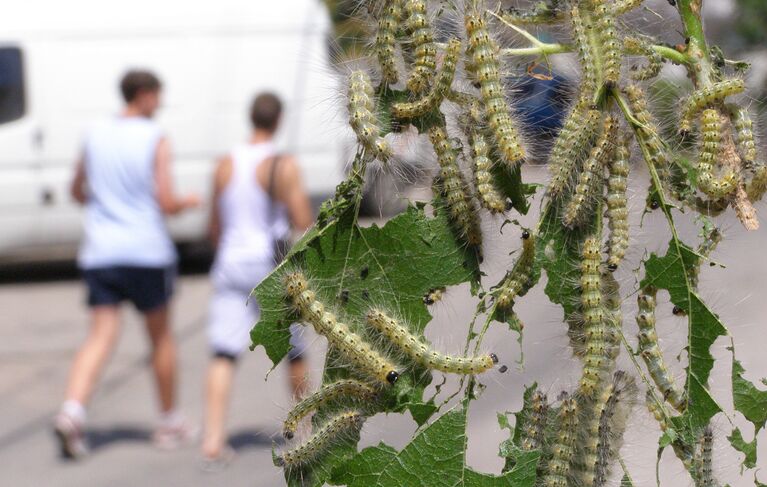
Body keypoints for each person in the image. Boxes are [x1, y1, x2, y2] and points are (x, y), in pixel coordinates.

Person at [54, 70, 200, 459]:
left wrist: (105, 204)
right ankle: (169, 421)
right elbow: (165, 201)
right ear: (145, 96)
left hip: (101, 250)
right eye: (158, 95)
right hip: (146, 250)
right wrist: (188, 202)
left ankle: (72, 411)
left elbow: (75, 189)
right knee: (161, 338)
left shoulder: (95, 131)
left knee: (100, 335)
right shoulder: (155, 137)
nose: (161, 103)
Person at [202, 92, 312, 463]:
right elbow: (302, 221)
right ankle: (305, 430)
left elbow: (213, 226)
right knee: (294, 351)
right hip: (269, 266)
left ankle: (214, 439)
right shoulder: (282, 165)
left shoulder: (224, 164)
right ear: (278, 120)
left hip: (231, 262)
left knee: (223, 352)